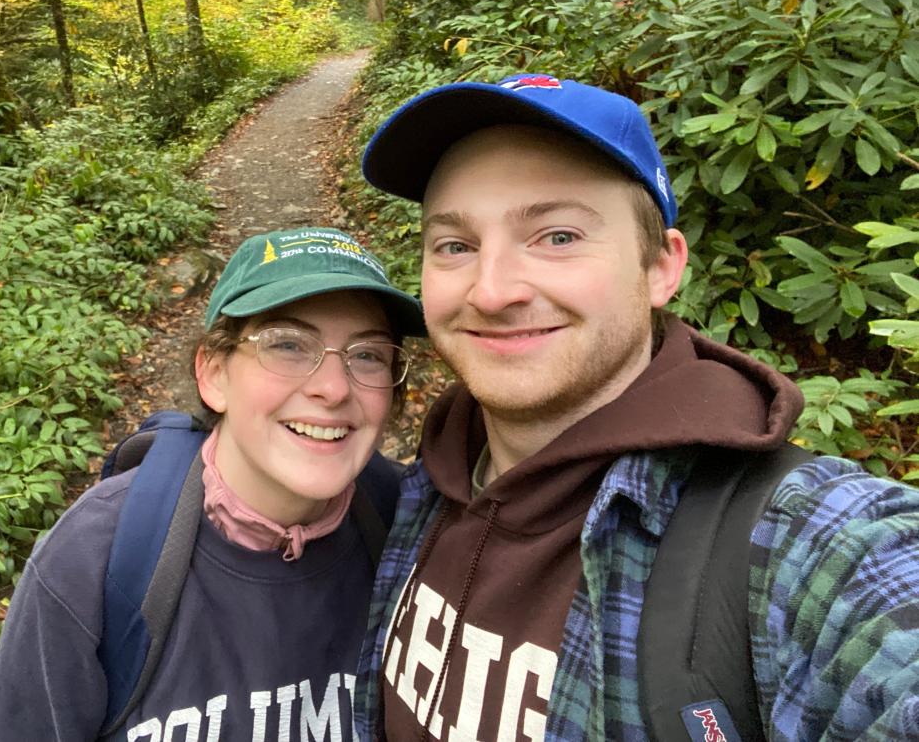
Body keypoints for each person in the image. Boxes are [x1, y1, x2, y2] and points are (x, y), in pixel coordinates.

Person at [352, 74, 919, 740]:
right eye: (455, 245)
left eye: (557, 236)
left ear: (661, 267)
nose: (493, 289)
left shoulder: (802, 543)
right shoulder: (426, 482)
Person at [0, 225, 424, 741]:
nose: (332, 388)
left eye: (368, 354)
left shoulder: (410, 528)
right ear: (213, 373)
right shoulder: (91, 561)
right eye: (287, 344)